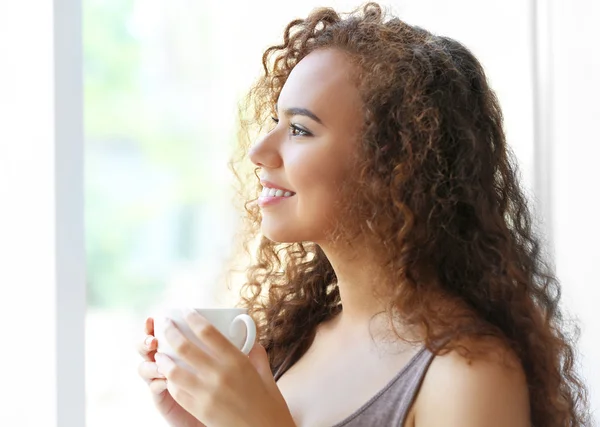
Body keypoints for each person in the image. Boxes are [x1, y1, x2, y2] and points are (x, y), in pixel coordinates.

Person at [137, 2, 590, 426]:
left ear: (393, 165)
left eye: (298, 129)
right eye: (273, 123)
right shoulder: (295, 343)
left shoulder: (469, 373)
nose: (258, 152)